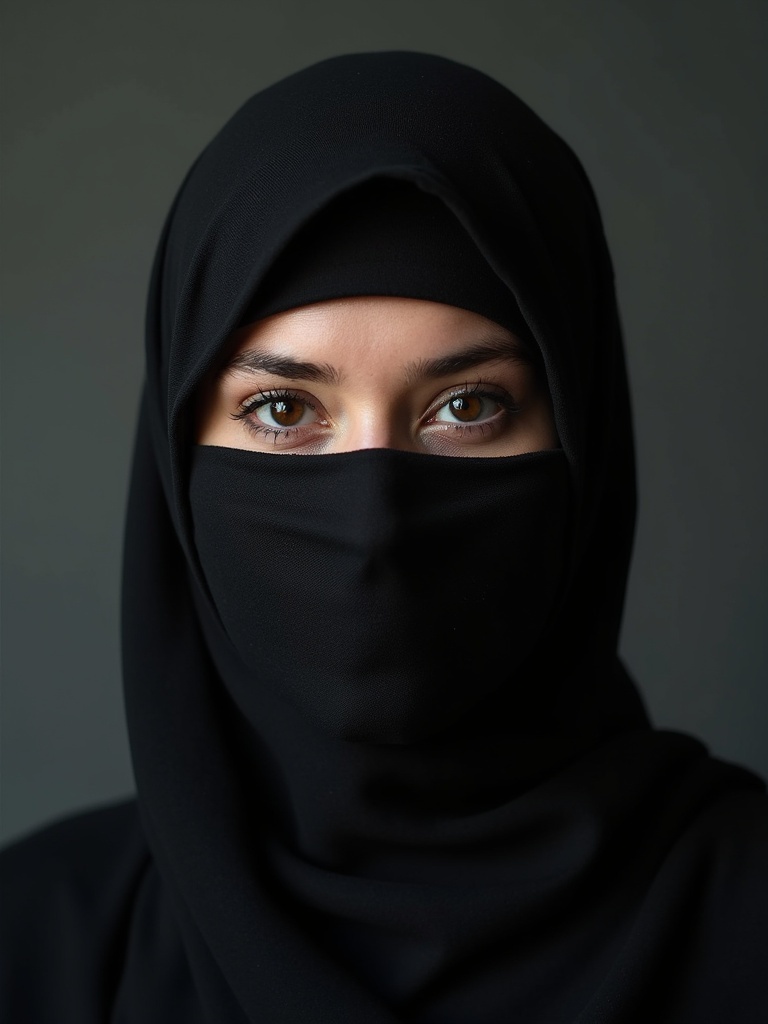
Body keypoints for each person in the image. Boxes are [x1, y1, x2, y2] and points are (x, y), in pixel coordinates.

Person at [1, 50, 766, 1024]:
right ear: (174, 458)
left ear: (584, 440)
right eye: (283, 408)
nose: (373, 519)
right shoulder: (35, 946)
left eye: (468, 404)